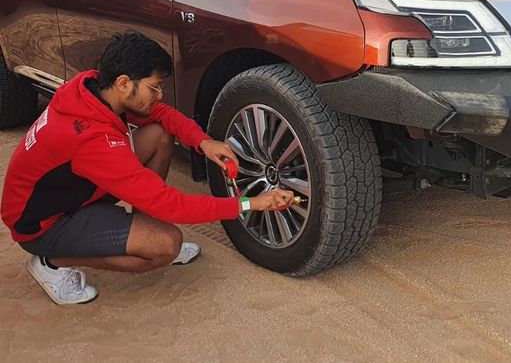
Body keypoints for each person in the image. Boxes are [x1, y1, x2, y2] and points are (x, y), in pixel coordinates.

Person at [0, 31, 295, 305]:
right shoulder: (91, 139)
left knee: (158, 135)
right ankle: (51, 263)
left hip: (72, 190)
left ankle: (140, 227)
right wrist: (249, 203)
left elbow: (160, 114)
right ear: (125, 82)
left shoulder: (94, 88)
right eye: (154, 87)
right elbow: (172, 206)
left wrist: (203, 142)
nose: (159, 95)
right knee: (165, 245)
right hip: (43, 225)